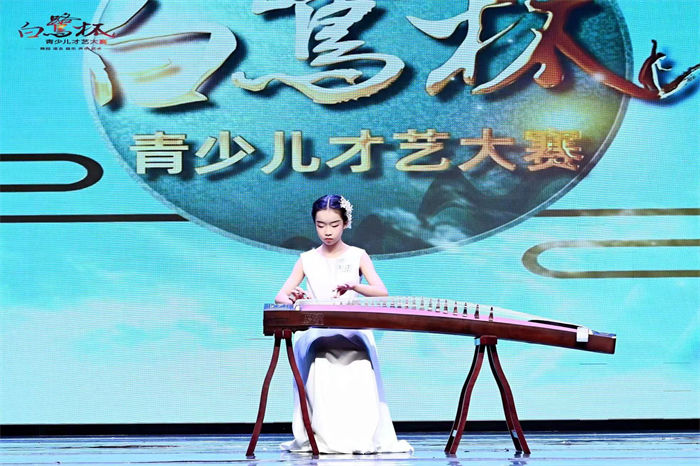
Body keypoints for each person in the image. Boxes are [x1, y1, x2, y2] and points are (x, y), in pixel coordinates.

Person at [275, 194, 412, 454]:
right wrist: (295, 297)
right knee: (317, 351)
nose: (327, 232)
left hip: (352, 328)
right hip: (318, 330)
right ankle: (321, 435)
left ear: (346, 223)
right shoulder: (307, 259)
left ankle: (359, 436)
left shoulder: (358, 255)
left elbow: (381, 292)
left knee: (358, 357)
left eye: (334, 225)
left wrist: (355, 286)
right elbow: (280, 295)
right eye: (321, 225)